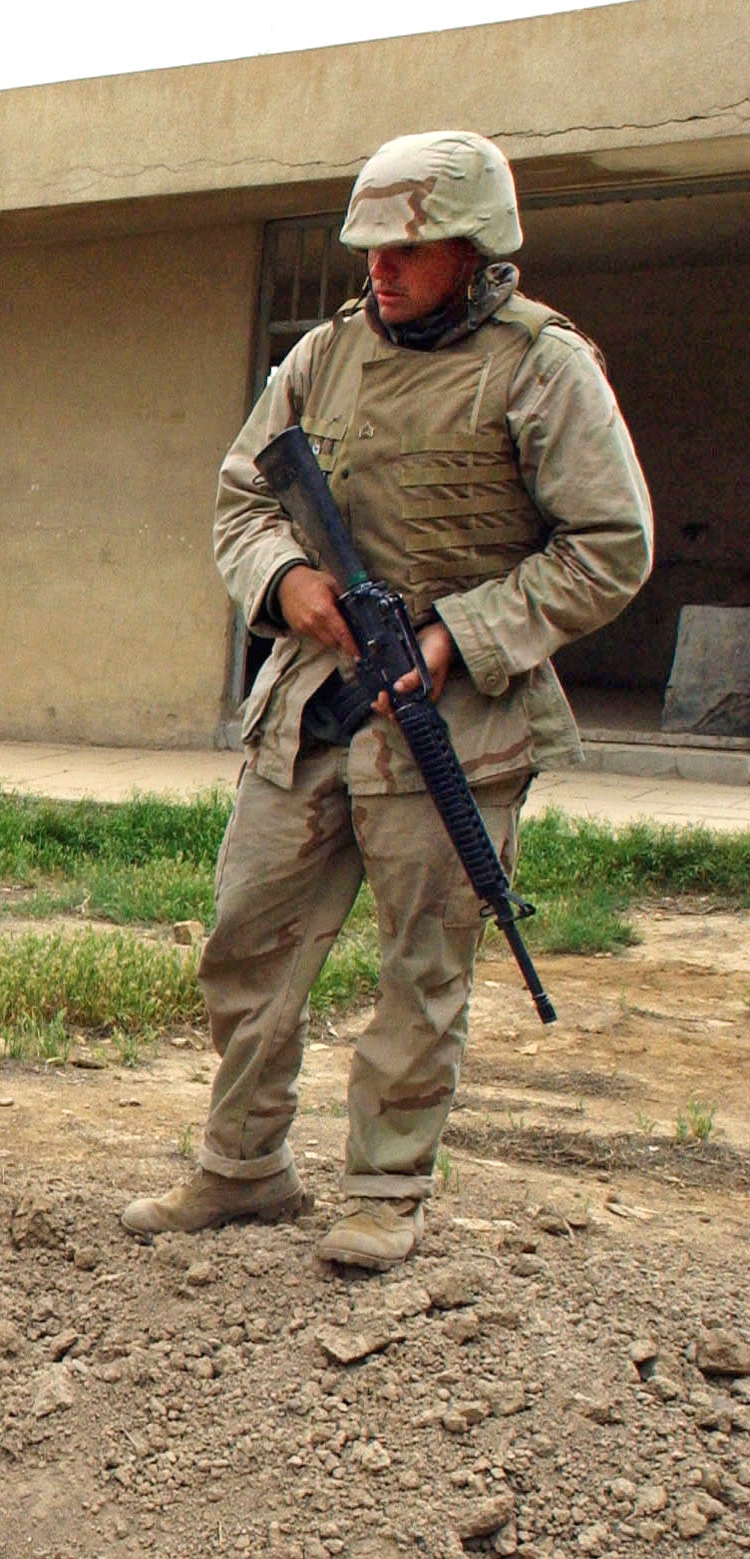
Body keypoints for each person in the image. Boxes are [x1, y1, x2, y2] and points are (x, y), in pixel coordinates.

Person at [122, 131, 652, 1272]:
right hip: (313, 700)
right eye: (372, 246)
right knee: (246, 940)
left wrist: (460, 634)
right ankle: (244, 1164)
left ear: (476, 250)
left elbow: (612, 546)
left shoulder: (541, 365)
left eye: (412, 250)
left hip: (450, 719)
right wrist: (286, 580)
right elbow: (240, 498)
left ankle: (388, 1186)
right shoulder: (320, 355)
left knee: (423, 962)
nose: (384, 268)